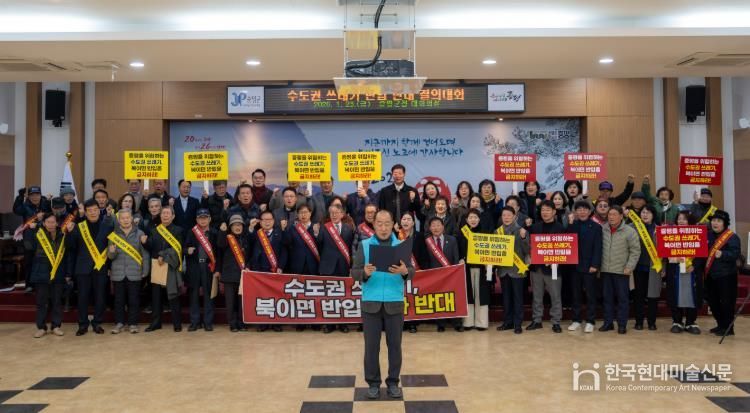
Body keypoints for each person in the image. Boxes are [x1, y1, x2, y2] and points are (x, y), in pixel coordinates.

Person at [352, 209, 414, 400]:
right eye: (379, 223)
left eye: (387, 223)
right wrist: (364, 273)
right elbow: (354, 272)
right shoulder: (364, 245)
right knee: (371, 347)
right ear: (374, 224)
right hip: (371, 304)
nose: (383, 228)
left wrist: (404, 271)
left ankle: (393, 382)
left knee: (395, 346)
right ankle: (373, 383)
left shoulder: (401, 245)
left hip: (394, 303)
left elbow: (411, 271)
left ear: (393, 224)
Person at [65, 198, 114, 336]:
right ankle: (82, 324)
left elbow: (110, 248)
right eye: (89, 210)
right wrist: (69, 233)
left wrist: (110, 267)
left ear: (99, 211)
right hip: (82, 268)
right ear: (85, 213)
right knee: (82, 298)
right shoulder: (78, 227)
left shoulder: (107, 226)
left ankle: (97, 323)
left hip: (101, 267)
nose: (92, 213)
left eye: (95, 210)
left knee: (100, 297)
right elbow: (70, 247)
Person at [694, 210, 741, 336]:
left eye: (719, 221)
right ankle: (720, 324)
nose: (715, 223)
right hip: (710, 275)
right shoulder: (708, 235)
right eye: (713, 220)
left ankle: (728, 328)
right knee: (713, 302)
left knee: (727, 303)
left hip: (726, 276)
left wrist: (723, 254)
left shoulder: (732, 237)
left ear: (725, 223)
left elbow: (735, 254)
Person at [25, 213, 68, 338]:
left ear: (57, 223)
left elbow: (67, 255)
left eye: (53, 222)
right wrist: (29, 230)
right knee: (41, 302)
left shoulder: (63, 235)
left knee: (57, 301)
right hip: (41, 273)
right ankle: (41, 327)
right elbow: (28, 246)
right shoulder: (37, 234)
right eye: (48, 222)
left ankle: (56, 326)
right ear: (43, 223)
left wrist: (67, 273)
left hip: (58, 273)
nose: (50, 224)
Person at [107, 208, 150, 334]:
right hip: (118, 273)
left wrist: (146, 270)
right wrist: (112, 252)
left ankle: (133, 324)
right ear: (118, 220)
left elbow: (145, 254)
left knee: (133, 300)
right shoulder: (113, 235)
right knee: (118, 300)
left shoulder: (140, 233)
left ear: (131, 219)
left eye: (127, 218)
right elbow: (110, 256)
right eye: (122, 218)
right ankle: (119, 323)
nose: (125, 220)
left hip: (135, 272)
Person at [600, 205, 641, 334]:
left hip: (622, 271)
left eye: (614, 214)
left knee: (623, 299)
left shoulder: (629, 231)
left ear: (621, 216)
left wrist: (630, 266)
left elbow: (635, 251)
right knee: (607, 298)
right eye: (609, 214)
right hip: (605, 270)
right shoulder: (602, 229)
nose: (611, 217)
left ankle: (622, 324)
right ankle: (608, 323)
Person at [314, 204, 354, 333]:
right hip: (327, 266)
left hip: (343, 266)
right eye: (332, 213)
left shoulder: (348, 229)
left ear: (342, 214)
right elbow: (319, 245)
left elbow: (350, 248)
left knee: (343, 296)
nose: (334, 215)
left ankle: (343, 323)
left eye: (337, 212)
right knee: (328, 297)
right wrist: (316, 233)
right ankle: (329, 324)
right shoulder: (324, 228)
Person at [144, 205, 184, 333]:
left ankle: (177, 323)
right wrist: (145, 242)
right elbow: (151, 247)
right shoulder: (154, 231)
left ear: (173, 216)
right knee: (156, 297)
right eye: (163, 213)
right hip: (157, 266)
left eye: (168, 213)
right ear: (160, 216)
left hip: (170, 266)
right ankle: (156, 323)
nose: (165, 215)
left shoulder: (178, 230)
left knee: (173, 295)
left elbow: (178, 249)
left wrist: (163, 255)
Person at [527, 201, 565, 333]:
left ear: (554, 212)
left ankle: (556, 322)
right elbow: (529, 246)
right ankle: (537, 320)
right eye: (543, 210)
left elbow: (565, 248)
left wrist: (555, 259)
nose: (545, 212)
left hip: (553, 268)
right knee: (537, 296)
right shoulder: (535, 227)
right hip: (536, 268)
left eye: (548, 210)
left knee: (555, 296)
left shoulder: (560, 228)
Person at [567, 201, 602, 333]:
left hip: (589, 267)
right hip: (574, 266)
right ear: (575, 212)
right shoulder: (573, 225)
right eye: (579, 209)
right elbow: (567, 241)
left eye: (584, 209)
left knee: (590, 295)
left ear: (589, 211)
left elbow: (598, 247)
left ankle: (590, 321)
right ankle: (576, 320)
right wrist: (570, 224)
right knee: (576, 295)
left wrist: (595, 264)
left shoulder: (596, 227)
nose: (582, 212)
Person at [250, 210, 287, 332]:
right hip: (260, 270)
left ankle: (276, 323)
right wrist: (250, 228)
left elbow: (284, 251)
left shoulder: (280, 233)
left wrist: (281, 266)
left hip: (275, 270)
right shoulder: (256, 234)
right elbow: (248, 248)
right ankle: (263, 323)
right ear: (260, 222)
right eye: (264, 220)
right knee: (262, 297)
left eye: (269, 219)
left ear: (273, 221)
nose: (267, 222)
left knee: (276, 296)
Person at [665, 211, 702, 334]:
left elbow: (702, 254)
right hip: (675, 270)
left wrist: (694, 266)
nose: (681, 221)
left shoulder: (697, 234)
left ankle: (691, 322)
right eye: (679, 218)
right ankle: (677, 321)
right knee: (676, 294)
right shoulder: (670, 234)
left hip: (691, 272)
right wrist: (675, 258)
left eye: (684, 219)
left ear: (690, 221)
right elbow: (665, 252)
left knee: (691, 295)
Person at [424, 216, 463, 332]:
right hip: (435, 275)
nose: (436, 228)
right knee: (438, 299)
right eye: (433, 226)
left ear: (443, 227)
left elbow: (456, 256)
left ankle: (457, 323)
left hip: (450, 274)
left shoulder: (452, 240)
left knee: (453, 298)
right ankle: (440, 323)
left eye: (438, 225)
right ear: (430, 228)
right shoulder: (427, 242)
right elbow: (426, 260)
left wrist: (456, 272)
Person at [457, 209, 494, 331]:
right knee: (468, 294)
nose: (473, 220)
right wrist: (460, 258)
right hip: (466, 268)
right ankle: (467, 322)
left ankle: (481, 322)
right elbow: (458, 249)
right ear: (466, 220)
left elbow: (491, 252)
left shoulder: (485, 233)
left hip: (482, 269)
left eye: (475, 217)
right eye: (470, 217)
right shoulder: (462, 233)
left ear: (479, 219)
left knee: (481, 295)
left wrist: (489, 264)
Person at [496, 207, 530, 334]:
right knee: (506, 299)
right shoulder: (497, 232)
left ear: (515, 216)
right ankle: (507, 322)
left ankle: (518, 324)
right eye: (504, 215)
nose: (506, 218)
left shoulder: (521, 230)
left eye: (509, 215)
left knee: (518, 298)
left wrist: (523, 238)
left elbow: (527, 251)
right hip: (503, 270)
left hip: (517, 269)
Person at [184, 208, 219, 332]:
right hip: (194, 267)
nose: (203, 220)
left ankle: (208, 322)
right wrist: (187, 250)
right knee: (193, 295)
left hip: (208, 267)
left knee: (209, 295)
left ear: (210, 219)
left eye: (205, 218)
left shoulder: (214, 233)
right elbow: (184, 248)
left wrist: (217, 269)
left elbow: (218, 252)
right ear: (196, 220)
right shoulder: (191, 232)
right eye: (200, 218)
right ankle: (195, 322)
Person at [630, 205, 662, 331]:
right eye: (643, 212)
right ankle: (639, 322)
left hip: (655, 268)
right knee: (638, 296)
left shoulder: (659, 229)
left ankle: (651, 322)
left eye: (648, 212)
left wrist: (663, 268)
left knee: (653, 296)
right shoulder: (633, 227)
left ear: (653, 215)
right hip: (637, 268)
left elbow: (664, 252)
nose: (645, 215)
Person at [217, 215, 251, 332]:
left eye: (240, 225)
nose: (238, 227)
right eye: (235, 225)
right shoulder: (226, 238)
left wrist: (248, 266)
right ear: (230, 227)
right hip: (229, 276)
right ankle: (232, 323)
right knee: (230, 302)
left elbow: (249, 255)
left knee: (241, 302)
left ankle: (242, 323)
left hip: (243, 275)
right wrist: (222, 231)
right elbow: (220, 245)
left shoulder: (245, 239)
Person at [396, 212, 426, 334]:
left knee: (413, 297)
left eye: (409, 219)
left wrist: (423, 269)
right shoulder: (396, 235)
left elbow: (424, 254)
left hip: (416, 271)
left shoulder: (419, 236)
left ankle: (413, 323)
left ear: (413, 223)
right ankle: (402, 322)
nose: (406, 221)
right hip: (399, 272)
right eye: (404, 219)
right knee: (401, 297)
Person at [283, 204, 320, 276]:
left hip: (313, 265)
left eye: (305, 212)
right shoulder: (292, 228)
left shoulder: (317, 227)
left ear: (310, 213)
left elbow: (321, 245)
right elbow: (286, 243)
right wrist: (284, 229)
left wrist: (316, 234)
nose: (303, 215)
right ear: (297, 215)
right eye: (301, 213)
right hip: (297, 265)